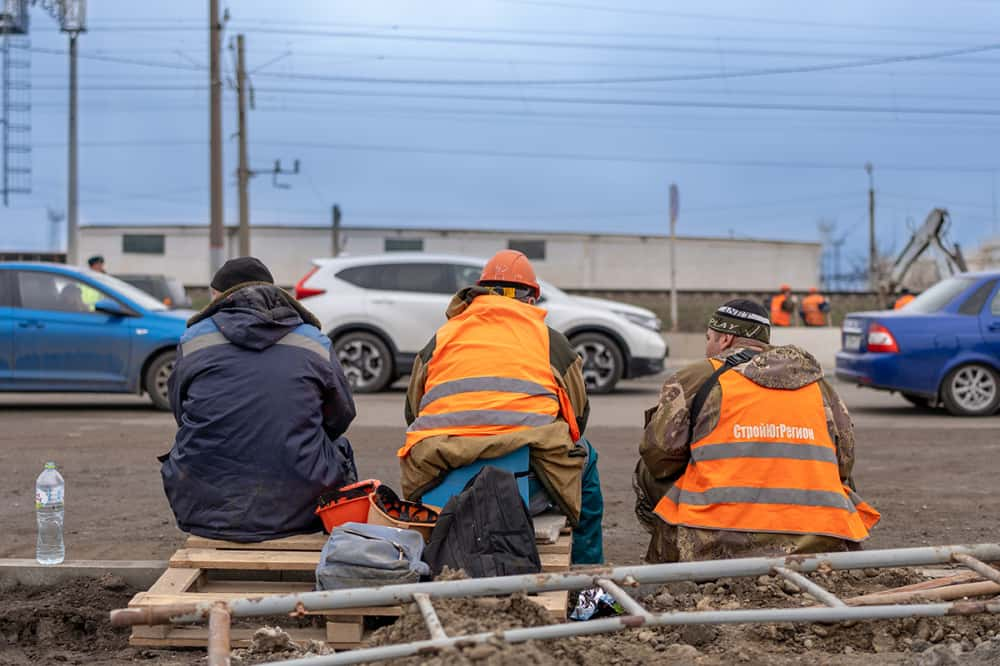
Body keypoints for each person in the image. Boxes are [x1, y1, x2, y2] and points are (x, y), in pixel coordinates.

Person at [633, 299, 879, 563]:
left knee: (646, 470)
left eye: (709, 339)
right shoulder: (818, 385)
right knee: (836, 478)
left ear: (725, 339)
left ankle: (670, 558)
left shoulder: (696, 377)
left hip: (716, 541)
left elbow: (658, 457)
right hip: (821, 536)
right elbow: (845, 463)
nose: (707, 347)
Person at [399, 250, 604, 564]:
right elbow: (577, 418)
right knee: (585, 457)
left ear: (478, 294)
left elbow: (413, 414)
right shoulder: (550, 342)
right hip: (523, 486)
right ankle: (588, 580)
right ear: (531, 300)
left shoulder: (442, 339)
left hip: (440, 483)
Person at [160, 257, 358, 541]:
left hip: (204, 513)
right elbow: (341, 416)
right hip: (304, 513)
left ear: (218, 297)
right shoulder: (313, 340)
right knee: (337, 446)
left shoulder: (193, 339)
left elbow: (182, 412)